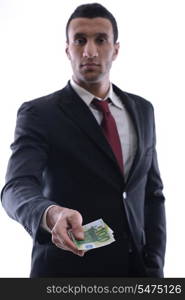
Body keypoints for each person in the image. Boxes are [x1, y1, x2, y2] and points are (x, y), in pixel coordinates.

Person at [1, 3, 166, 277]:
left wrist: (155, 266)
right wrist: (50, 213)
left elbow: (152, 195)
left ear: (116, 49)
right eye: (80, 40)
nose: (90, 51)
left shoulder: (143, 110)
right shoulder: (39, 113)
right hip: (66, 272)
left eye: (101, 40)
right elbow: (16, 187)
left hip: (136, 272)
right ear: (67, 49)